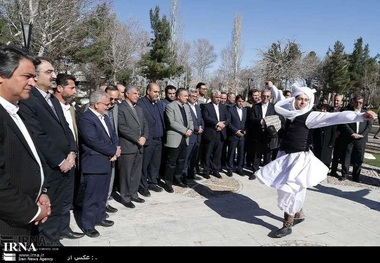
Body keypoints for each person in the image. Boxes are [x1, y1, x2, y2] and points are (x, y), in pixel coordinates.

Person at [256, 84, 377, 238]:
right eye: (300, 99)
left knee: (291, 190)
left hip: (299, 159)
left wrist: (360, 116)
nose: (302, 102)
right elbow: (280, 97)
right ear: (295, 99)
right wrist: (273, 88)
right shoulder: (289, 112)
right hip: (284, 156)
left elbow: (335, 117)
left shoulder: (310, 116)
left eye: (306, 100)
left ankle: (287, 225)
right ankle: (298, 213)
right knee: (284, 188)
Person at [18, 57, 77, 247]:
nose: (54, 76)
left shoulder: (52, 98)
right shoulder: (29, 99)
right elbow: (38, 135)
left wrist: (72, 152)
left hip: (66, 166)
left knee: (60, 208)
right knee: (47, 213)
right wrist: (60, 161)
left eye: (53, 72)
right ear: (35, 75)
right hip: (49, 168)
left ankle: (54, 239)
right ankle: (46, 245)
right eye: (49, 72)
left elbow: (66, 128)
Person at [0, 46, 50, 242]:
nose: (33, 81)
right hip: (7, 226)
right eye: (27, 76)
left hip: (26, 222)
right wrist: (33, 211)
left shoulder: (16, 111)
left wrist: (41, 191)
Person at [78, 90, 121, 238]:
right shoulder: (86, 119)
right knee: (92, 196)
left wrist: (116, 148)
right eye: (106, 104)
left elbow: (113, 135)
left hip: (107, 161)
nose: (109, 106)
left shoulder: (105, 117)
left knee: (102, 194)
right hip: (94, 162)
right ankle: (88, 224)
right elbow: (93, 141)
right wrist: (113, 151)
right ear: (96, 104)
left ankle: (99, 217)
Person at [52, 73, 84, 240]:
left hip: (71, 158)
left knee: (66, 198)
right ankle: (53, 232)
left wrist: (73, 153)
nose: (75, 92)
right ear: (59, 88)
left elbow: (72, 132)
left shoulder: (70, 107)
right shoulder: (50, 106)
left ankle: (64, 228)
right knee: (56, 200)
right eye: (71, 88)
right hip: (56, 162)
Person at [118, 86, 148, 208]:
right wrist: (137, 138)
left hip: (139, 147)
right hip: (128, 146)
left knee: (136, 172)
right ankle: (125, 197)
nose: (137, 95)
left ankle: (134, 194)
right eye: (135, 93)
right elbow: (122, 127)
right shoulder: (120, 108)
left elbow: (145, 124)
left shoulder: (139, 109)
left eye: (138, 93)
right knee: (125, 173)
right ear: (127, 94)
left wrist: (145, 137)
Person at [163, 88, 193, 193]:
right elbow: (171, 122)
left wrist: (191, 129)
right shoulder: (170, 107)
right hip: (175, 138)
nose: (187, 97)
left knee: (181, 161)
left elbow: (190, 119)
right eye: (185, 96)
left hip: (185, 138)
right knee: (171, 162)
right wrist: (185, 130)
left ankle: (177, 178)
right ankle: (168, 183)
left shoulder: (186, 107)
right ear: (179, 96)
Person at [137, 82, 165, 196]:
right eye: (155, 91)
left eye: (158, 92)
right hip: (148, 139)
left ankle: (152, 182)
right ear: (148, 91)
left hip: (158, 139)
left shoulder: (158, 104)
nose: (157, 94)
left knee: (155, 164)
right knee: (145, 165)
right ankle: (143, 186)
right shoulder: (140, 103)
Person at [339, 95, 373, 182]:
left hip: (361, 139)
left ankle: (356, 176)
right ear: (353, 102)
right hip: (349, 138)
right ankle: (344, 174)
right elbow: (344, 123)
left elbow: (369, 126)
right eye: (357, 102)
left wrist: (362, 135)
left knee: (359, 158)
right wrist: (352, 133)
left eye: (360, 103)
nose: (358, 104)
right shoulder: (347, 112)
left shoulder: (366, 113)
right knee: (346, 156)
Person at [201, 89, 230, 179]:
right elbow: (206, 117)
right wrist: (217, 123)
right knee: (208, 153)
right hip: (211, 133)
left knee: (218, 153)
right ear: (212, 97)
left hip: (221, 133)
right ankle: (206, 170)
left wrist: (223, 125)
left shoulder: (224, 107)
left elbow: (228, 118)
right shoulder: (206, 106)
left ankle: (215, 170)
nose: (218, 99)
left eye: (219, 97)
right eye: (216, 97)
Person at [104, 85, 120, 213]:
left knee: (111, 178)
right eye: (111, 99)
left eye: (116, 99)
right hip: (101, 152)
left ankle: (106, 201)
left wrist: (116, 148)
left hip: (113, 151)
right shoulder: (92, 109)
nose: (113, 102)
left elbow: (115, 131)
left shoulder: (115, 109)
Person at [183, 88, 204, 181]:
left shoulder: (197, 107)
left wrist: (201, 127)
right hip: (190, 135)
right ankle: (183, 175)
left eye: (196, 96)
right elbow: (186, 121)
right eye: (193, 96)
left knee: (194, 157)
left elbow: (201, 119)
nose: (195, 98)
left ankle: (192, 173)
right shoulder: (185, 106)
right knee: (186, 157)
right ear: (188, 96)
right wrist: (196, 128)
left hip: (198, 136)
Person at [226, 95, 247, 176]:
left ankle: (239, 168)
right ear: (236, 101)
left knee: (241, 153)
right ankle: (229, 169)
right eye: (239, 101)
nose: (240, 103)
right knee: (231, 152)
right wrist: (235, 131)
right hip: (233, 135)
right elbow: (229, 122)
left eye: (242, 101)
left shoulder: (245, 110)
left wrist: (245, 131)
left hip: (242, 136)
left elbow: (247, 122)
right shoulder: (231, 110)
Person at [311, 104, 336, 168]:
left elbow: (334, 132)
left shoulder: (332, 120)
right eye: (321, 109)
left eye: (324, 109)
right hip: (318, 142)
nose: (322, 111)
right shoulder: (317, 119)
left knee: (326, 159)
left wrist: (332, 143)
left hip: (327, 143)